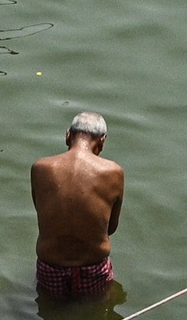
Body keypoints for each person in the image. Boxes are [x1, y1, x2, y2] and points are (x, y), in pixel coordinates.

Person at [32, 111, 124, 300]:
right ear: (102, 141)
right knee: (99, 310)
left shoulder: (40, 168)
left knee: (48, 310)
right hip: (94, 267)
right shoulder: (113, 171)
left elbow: (41, 214)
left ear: (68, 135)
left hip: (50, 266)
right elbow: (111, 228)